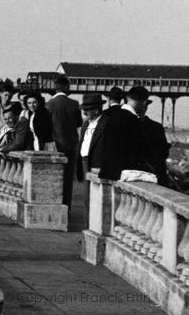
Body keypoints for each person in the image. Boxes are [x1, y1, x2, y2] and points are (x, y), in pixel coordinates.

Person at [99, 86, 151, 181]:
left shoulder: (112, 116)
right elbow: (139, 150)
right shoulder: (134, 120)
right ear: (143, 102)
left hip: (107, 171)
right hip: (121, 173)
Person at [46, 75, 82, 209]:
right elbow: (79, 123)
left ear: (55, 88)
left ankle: (55, 205)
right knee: (67, 179)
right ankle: (66, 207)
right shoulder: (74, 104)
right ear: (66, 87)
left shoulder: (48, 104)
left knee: (54, 177)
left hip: (55, 145)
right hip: (71, 145)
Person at [76, 93, 109, 224]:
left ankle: (92, 227)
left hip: (96, 163)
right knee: (86, 199)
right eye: (83, 109)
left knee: (95, 199)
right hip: (85, 162)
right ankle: (86, 229)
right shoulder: (86, 124)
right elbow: (81, 144)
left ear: (96, 109)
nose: (84, 112)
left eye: (87, 109)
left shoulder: (106, 123)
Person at [139, 100, 171, 186]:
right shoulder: (156, 127)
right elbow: (164, 152)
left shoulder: (127, 126)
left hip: (140, 174)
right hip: (157, 173)